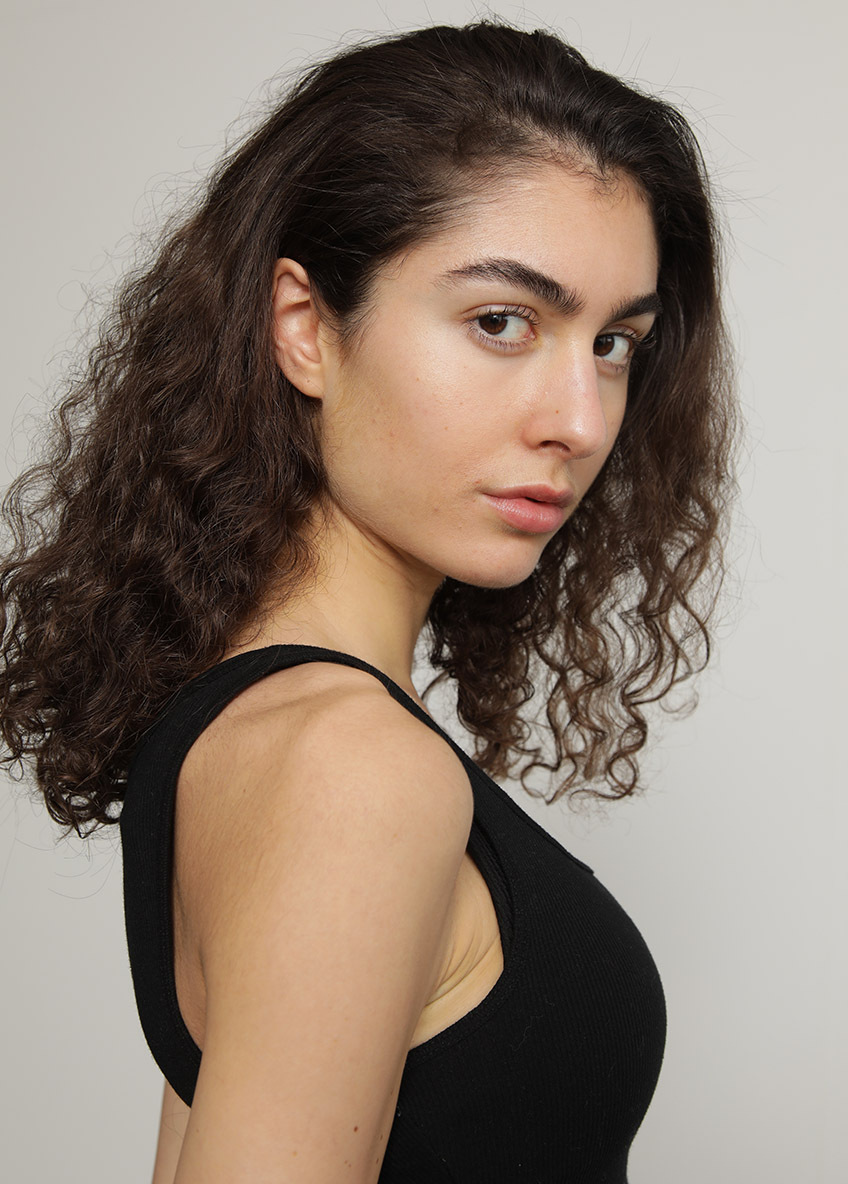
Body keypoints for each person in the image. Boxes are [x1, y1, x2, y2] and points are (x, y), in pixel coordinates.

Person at [0, 20, 737, 1183]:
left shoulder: (254, 729)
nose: (580, 418)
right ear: (304, 328)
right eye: (501, 321)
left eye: (611, 342)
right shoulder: (349, 767)